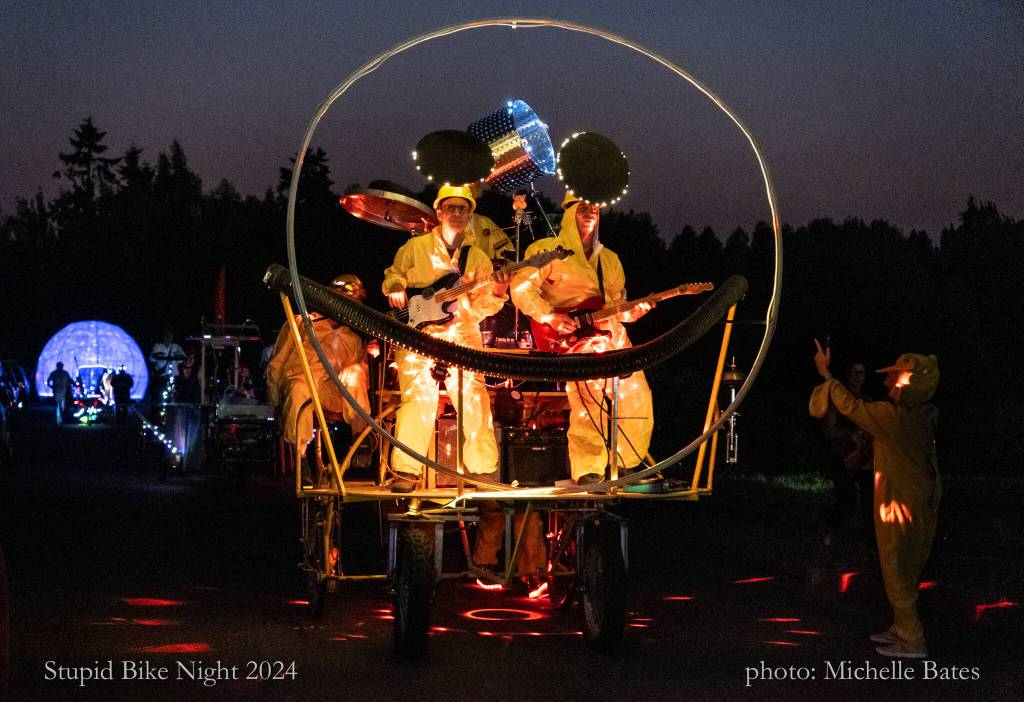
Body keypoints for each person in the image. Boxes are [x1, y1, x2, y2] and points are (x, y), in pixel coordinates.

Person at [510, 192, 655, 485]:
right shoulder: (548, 250)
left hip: (611, 336)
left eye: (595, 207)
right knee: (588, 399)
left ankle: (628, 464)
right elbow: (522, 288)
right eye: (583, 207)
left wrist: (634, 312)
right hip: (571, 339)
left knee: (636, 395)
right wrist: (548, 315)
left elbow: (616, 306)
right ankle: (589, 469)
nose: (590, 212)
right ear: (568, 212)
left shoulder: (609, 260)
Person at [811, 341, 940, 659]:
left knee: (896, 567)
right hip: (916, 501)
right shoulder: (918, 414)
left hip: (902, 505)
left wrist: (826, 374)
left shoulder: (895, 418)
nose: (885, 381)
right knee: (904, 568)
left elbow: (852, 408)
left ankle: (912, 639)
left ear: (910, 383)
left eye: (894, 377)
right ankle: (902, 626)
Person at [382, 184, 511, 493]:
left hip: (463, 334)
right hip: (418, 336)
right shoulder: (415, 248)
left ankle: (482, 471)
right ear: (438, 212)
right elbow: (393, 275)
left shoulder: (477, 256)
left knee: (474, 399)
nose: (456, 213)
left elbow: (481, 308)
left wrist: (498, 291)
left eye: (462, 208)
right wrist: (397, 286)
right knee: (417, 401)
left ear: (471, 214)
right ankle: (406, 471)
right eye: (450, 207)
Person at [267, 274, 371, 469]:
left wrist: (369, 356)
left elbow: (360, 383)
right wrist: (276, 402)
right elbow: (277, 363)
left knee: (356, 372)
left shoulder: (353, 339)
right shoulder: (301, 323)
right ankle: (302, 458)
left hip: (331, 392)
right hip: (301, 384)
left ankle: (361, 439)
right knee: (298, 389)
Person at [821, 360, 875, 547]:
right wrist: (851, 433)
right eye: (853, 373)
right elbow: (829, 431)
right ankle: (829, 525)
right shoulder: (838, 399)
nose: (856, 378)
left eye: (860, 373)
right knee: (847, 499)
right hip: (841, 455)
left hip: (864, 456)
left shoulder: (867, 401)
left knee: (870, 498)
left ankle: (872, 541)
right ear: (846, 375)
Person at [149, 331, 185, 403]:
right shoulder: (157, 346)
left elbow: (183, 357)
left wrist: (176, 356)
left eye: (170, 335)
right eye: (166, 335)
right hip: (162, 378)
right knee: (159, 397)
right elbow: (152, 358)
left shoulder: (176, 347)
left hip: (173, 378)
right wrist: (159, 356)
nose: (168, 337)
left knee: (174, 397)